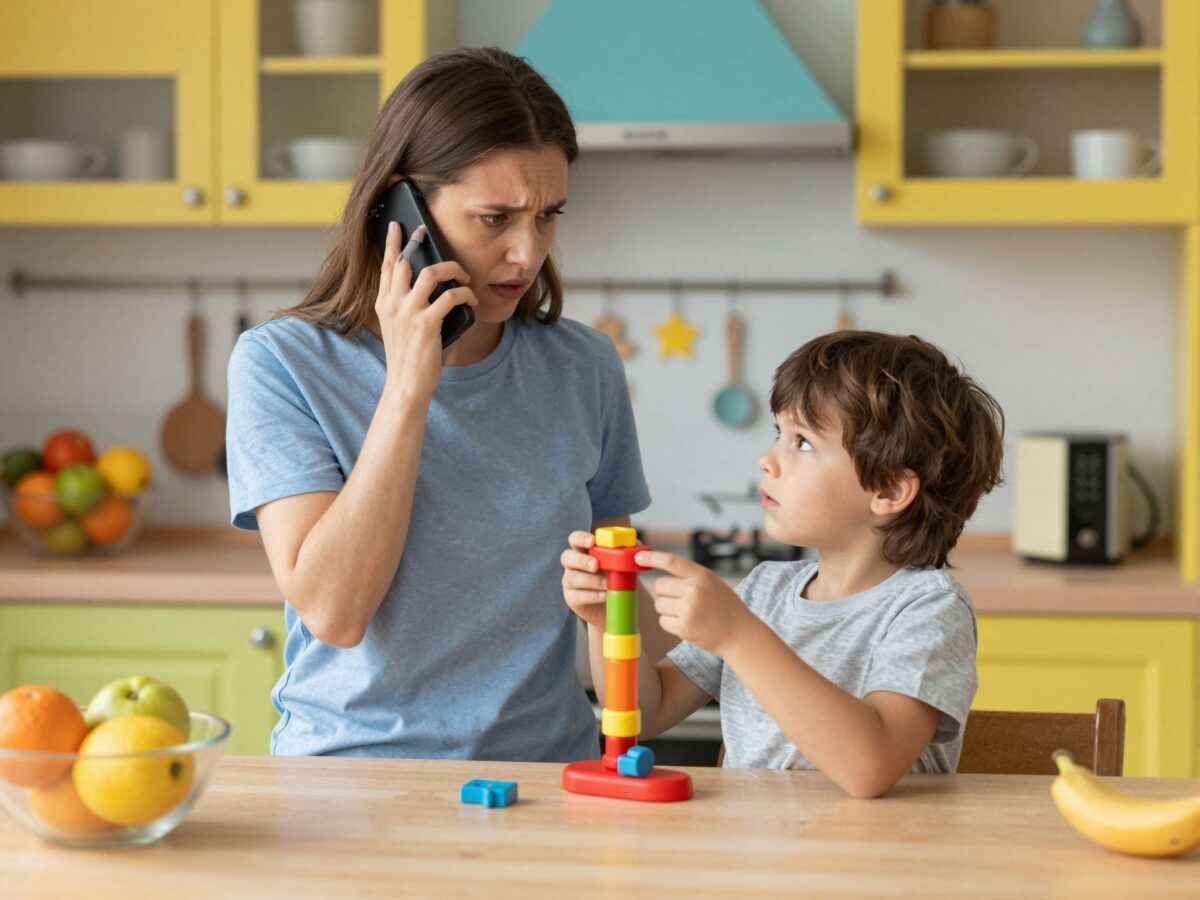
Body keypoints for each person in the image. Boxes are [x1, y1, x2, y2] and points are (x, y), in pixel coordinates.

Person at [226, 47, 653, 761]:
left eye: (548, 216)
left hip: (550, 776)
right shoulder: (282, 364)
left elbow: (616, 608)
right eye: (495, 218)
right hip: (351, 779)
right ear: (403, 208)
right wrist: (408, 389)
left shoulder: (586, 367)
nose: (528, 252)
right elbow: (333, 611)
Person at [562, 331, 1006, 797]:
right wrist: (607, 618)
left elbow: (869, 767)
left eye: (804, 442)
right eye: (779, 434)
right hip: (756, 861)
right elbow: (645, 714)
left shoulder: (928, 609)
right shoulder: (764, 591)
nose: (767, 460)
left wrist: (738, 634)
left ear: (889, 490)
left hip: (878, 863)